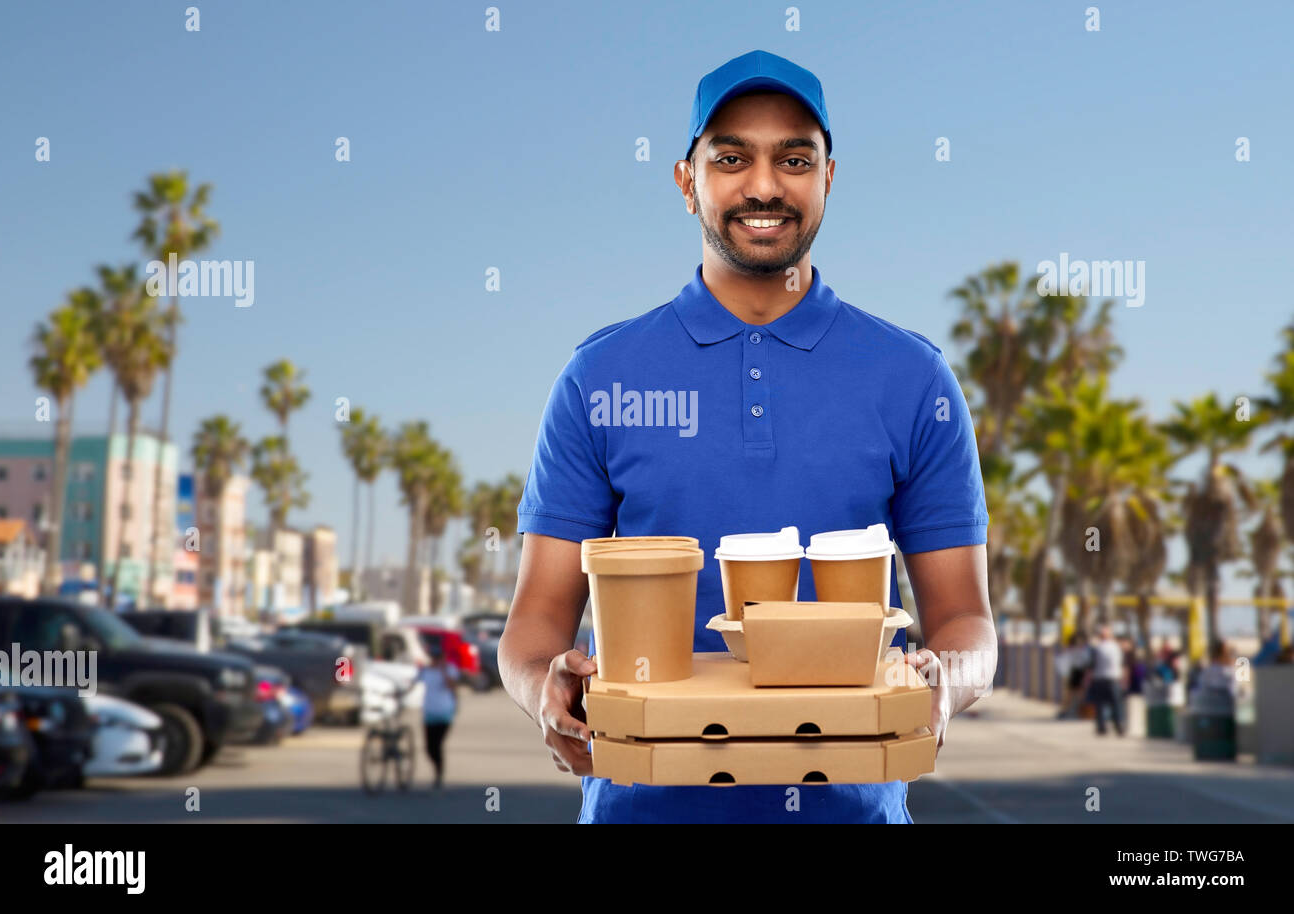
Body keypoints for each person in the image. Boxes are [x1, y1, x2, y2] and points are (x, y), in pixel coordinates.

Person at [499, 50, 996, 824]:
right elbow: (534, 619)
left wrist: (947, 680)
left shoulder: (913, 379)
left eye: (794, 158)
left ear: (829, 176)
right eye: (731, 158)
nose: (764, 186)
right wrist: (542, 690)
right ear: (685, 180)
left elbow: (968, 623)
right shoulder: (600, 376)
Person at [417, 643, 459, 789]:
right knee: (429, 747)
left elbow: (452, 686)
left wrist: (443, 670)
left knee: (437, 744)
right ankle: (437, 768)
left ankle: (439, 773)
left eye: (438, 657)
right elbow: (413, 683)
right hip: (429, 713)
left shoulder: (450, 670)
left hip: (444, 713)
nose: (435, 660)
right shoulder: (426, 671)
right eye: (434, 657)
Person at [1083, 623, 1125, 736]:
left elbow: (1091, 665)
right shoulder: (1116, 647)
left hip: (1100, 679)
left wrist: (1088, 679)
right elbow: (1122, 663)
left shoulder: (1097, 648)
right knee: (1116, 704)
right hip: (1113, 679)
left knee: (1100, 704)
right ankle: (1119, 725)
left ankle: (1102, 727)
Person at [1056, 632, 1089, 719]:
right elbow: (1085, 661)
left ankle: (1072, 710)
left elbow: (1062, 662)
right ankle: (1072, 710)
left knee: (1073, 693)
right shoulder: (1080, 650)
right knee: (1075, 693)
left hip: (1075, 672)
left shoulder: (1070, 650)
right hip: (1076, 672)